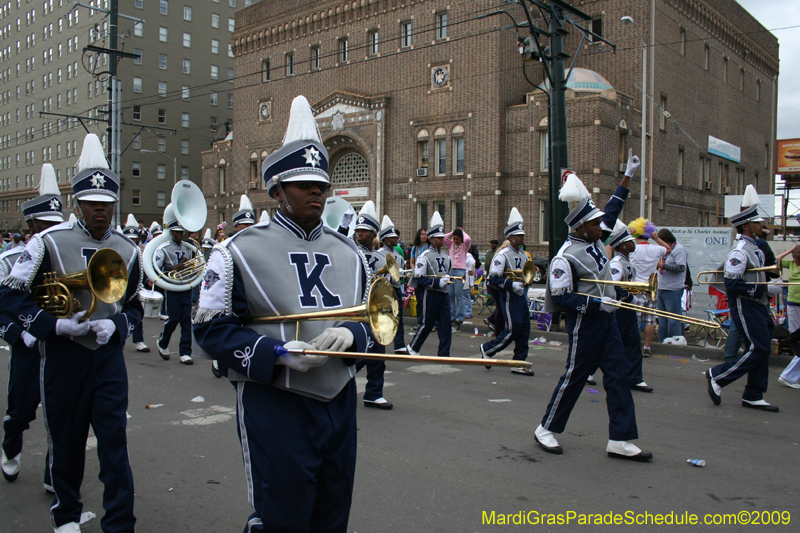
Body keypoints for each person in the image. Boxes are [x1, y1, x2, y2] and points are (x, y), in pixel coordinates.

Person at [193, 95, 374, 532]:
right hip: (275, 400)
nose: (317, 191)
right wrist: (275, 352)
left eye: (322, 184)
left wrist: (353, 335)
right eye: (303, 183)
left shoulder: (352, 253)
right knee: (282, 518)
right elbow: (210, 331)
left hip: (339, 400)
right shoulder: (235, 251)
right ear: (276, 190)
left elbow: (375, 323)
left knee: (333, 515)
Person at [0, 133, 143, 532]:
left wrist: (115, 325)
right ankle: (65, 514)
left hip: (108, 357)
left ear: (115, 205)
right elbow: (8, 296)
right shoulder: (48, 241)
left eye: (107, 204)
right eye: (92, 204)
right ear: (76, 203)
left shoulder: (129, 249)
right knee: (66, 440)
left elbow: (132, 307)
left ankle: (120, 522)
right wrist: (52, 324)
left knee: (115, 443)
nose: (100, 211)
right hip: (64, 356)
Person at [536, 152, 652, 461]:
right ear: (580, 227)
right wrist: (600, 303)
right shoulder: (565, 256)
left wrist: (628, 175)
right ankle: (545, 427)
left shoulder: (596, 239)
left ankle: (621, 438)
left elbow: (613, 208)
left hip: (607, 321)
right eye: (596, 223)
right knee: (575, 377)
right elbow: (561, 297)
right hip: (585, 324)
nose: (603, 226)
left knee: (618, 375)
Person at [1, 163, 63, 492]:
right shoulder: (9, 260)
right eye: (43, 225)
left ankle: (55, 474)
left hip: (58, 345)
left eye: (55, 224)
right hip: (25, 346)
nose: (49, 231)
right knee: (20, 410)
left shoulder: (64, 256)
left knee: (59, 413)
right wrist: (19, 332)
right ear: (30, 225)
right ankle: (10, 447)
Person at [707, 185, 780, 412]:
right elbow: (732, 284)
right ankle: (718, 376)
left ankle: (754, 393)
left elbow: (755, 277)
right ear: (746, 226)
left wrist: (768, 288)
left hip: (758, 305)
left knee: (762, 348)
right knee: (758, 348)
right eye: (757, 223)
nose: (761, 226)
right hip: (746, 304)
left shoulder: (755, 248)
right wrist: (761, 290)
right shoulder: (739, 251)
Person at [480, 208, 534, 375]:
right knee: (514, 328)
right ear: (510, 237)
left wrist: (526, 283)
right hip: (509, 295)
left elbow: (527, 274)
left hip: (521, 295)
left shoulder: (524, 255)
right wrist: (512, 285)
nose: (522, 237)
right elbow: (493, 279)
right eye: (518, 235)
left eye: (523, 234)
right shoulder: (502, 255)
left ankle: (520, 361)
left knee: (525, 327)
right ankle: (488, 349)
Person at [350, 201, 393, 410]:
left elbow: (388, 284)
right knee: (356, 351)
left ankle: (374, 393)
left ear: (374, 233)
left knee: (378, 354)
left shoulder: (379, 257)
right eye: (357, 230)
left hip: (376, 310)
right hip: (355, 310)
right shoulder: (349, 253)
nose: (360, 234)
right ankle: (337, 383)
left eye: (364, 231)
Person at [607, 220, 653, 393]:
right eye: (629, 241)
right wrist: (628, 297)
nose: (633, 243)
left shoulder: (627, 262)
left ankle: (635, 378)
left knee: (633, 343)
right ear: (622, 245)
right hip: (619, 309)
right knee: (610, 344)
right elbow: (613, 285)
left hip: (628, 309)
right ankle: (588, 372)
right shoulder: (616, 263)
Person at [154, 205, 196, 365]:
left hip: (185, 285)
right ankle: (163, 342)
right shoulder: (163, 248)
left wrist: (190, 265)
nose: (179, 234)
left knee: (186, 319)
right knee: (173, 318)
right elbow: (156, 269)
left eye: (181, 232)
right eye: (176, 231)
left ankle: (185, 352)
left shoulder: (188, 248)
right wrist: (172, 268)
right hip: (172, 286)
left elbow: (194, 267)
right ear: (171, 231)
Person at [407, 211, 452, 358]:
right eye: (439, 238)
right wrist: (437, 282)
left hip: (443, 294)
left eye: (442, 237)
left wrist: (446, 280)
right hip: (429, 294)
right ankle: (413, 347)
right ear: (431, 239)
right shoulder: (423, 257)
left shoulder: (446, 257)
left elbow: (448, 272)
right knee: (427, 323)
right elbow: (419, 277)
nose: (442, 240)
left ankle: (444, 353)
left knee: (446, 324)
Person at [379, 215, 408, 355]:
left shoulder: (399, 256)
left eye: (395, 237)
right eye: (392, 237)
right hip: (384, 290)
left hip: (396, 289)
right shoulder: (379, 254)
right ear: (385, 239)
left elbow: (400, 274)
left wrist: (404, 275)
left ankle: (399, 345)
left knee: (399, 317)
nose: (396, 239)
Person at [123, 214, 149, 353]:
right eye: (130, 239)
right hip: (117, 287)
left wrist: (146, 280)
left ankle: (139, 340)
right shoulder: (117, 249)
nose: (133, 242)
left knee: (137, 312)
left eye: (135, 239)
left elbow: (141, 269)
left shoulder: (139, 251)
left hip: (133, 287)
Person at [655, 229, 687, 342]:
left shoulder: (679, 250)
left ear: (667, 241)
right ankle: (663, 341)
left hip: (673, 289)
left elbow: (681, 267)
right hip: (662, 287)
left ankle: (674, 343)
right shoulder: (665, 251)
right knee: (662, 319)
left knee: (673, 319)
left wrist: (662, 266)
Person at [444, 227, 471, 331]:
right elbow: (444, 238)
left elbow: (468, 239)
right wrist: (452, 232)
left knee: (459, 295)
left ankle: (459, 317)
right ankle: (451, 316)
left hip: (460, 271)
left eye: (457, 239)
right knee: (450, 294)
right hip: (451, 270)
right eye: (454, 238)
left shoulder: (464, 246)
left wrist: (462, 231)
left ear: (461, 238)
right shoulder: (451, 244)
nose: (455, 241)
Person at [409, 228, 431, 329]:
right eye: (422, 234)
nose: (424, 236)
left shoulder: (429, 247)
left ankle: (429, 322)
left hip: (427, 276)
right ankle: (420, 322)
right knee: (419, 300)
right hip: (418, 276)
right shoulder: (415, 248)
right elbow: (412, 261)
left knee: (427, 300)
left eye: (425, 234)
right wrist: (414, 269)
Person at [483, 239, 505, 334]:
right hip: (492, 280)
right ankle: (496, 327)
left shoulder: (499, 254)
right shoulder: (493, 254)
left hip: (494, 280)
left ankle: (491, 320)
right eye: (491, 243)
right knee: (501, 307)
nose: (492, 245)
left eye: (494, 244)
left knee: (501, 306)